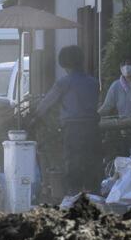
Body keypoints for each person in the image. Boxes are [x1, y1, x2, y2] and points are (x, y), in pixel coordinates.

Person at [32, 45, 101, 194]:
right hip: (93, 127)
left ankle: (74, 193)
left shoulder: (64, 82)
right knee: (90, 160)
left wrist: (34, 117)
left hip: (73, 127)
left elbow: (46, 104)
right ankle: (92, 193)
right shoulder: (94, 82)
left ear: (64, 64)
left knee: (73, 161)